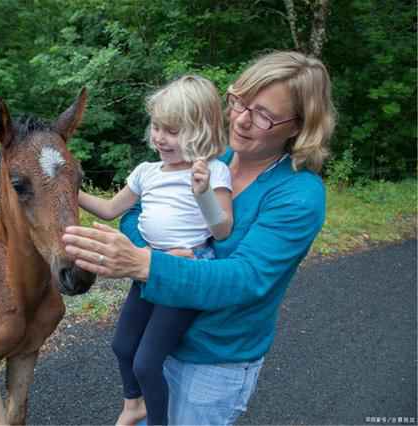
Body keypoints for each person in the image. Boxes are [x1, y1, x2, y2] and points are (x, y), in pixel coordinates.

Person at [63, 50, 336, 425]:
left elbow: (246, 279)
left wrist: (150, 263)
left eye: (264, 115)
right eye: (239, 101)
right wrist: (155, 251)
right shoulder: (211, 156)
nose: (241, 120)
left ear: (298, 126)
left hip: (212, 361)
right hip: (160, 336)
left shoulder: (297, 194)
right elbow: (137, 214)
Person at [78, 75, 233, 426]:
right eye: (157, 127)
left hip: (185, 273)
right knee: (122, 346)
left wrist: (203, 194)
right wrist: (69, 189)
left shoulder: (212, 172)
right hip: (147, 267)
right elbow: (109, 209)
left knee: (147, 362)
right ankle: (134, 405)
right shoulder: (146, 172)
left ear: (201, 132)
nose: (160, 137)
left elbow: (222, 230)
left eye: (173, 131)